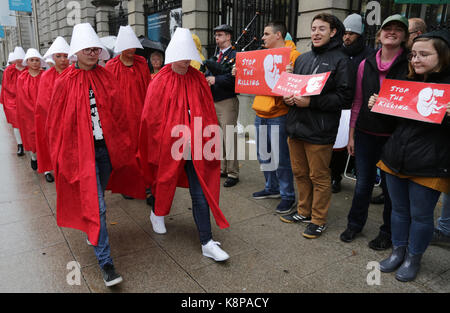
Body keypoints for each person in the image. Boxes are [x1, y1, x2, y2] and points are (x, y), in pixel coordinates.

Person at [46, 23, 147, 287]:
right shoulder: (63, 81)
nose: (92, 52)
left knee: (98, 196)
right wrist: (61, 155)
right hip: (81, 152)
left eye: (95, 49)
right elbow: (56, 123)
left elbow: (118, 112)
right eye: (87, 49)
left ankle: (92, 225)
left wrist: (124, 143)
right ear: (77, 52)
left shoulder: (105, 76)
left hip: (106, 150)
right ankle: (106, 263)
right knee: (98, 205)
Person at [138, 27, 230, 262]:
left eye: (188, 58)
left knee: (200, 193)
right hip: (169, 145)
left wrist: (209, 140)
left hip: (197, 145)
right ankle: (157, 213)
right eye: (180, 57)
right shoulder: (159, 81)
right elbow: (151, 117)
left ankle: (207, 241)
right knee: (164, 180)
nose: (184, 63)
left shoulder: (198, 78)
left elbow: (208, 110)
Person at [376, 29, 450, 282]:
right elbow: (389, 126)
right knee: (398, 210)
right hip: (395, 159)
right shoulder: (404, 81)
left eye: (424, 54)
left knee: (421, 216)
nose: (416, 59)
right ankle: (398, 251)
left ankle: (413, 257)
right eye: (413, 54)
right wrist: (379, 107)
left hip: (430, 164)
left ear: (443, 56)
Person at [280, 13, 354, 238]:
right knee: (300, 173)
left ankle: (318, 219)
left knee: (319, 177)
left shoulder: (341, 60)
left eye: (322, 29)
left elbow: (345, 98)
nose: (316, 33)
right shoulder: (301, 59)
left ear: (333, 32)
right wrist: (287, 97)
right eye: (313, 28)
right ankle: (303, 211)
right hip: (295, 126)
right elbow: (293, 89)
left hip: (320, 129)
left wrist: (311, 102)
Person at [339, 15, 410, 250]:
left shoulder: (410, 64)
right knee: (362, 184)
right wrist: (351, 135)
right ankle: (354, 224)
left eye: (398, 29)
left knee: (390, 190)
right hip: (365, 134)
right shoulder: (365, 63)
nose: (392, 32)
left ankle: (387, 232)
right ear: (379, 34)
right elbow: (358, 101)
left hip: (394, 137)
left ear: (404, 36)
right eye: (387, 28)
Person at [247, 21, 299, 214]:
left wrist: (292, 75)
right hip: (260, 112)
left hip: (279, 114)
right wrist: (239, 73)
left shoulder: (293, 57)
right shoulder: (261, 56)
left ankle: (287, 196)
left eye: (266, 33)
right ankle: (272, 188)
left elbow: (297, 86)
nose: (262, 37)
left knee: (281, 157)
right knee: (264, 155)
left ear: (278, 35)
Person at [330, 13, 375, 193]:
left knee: (352, 145)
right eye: (345, 33)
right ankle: (335, 176)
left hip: (359, 106)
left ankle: (355, 176)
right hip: (339, 103)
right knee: (336, 145)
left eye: (352, 33)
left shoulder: (369, 55)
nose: (347, 37)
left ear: (359, 35)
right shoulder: (338, 52)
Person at [205, 24, 240, 187]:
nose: (216, 38)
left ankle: (233, 173)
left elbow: (235, 80)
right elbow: (209, 73)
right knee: (220, 137)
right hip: (214, 99)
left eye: (219, 35)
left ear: (228, 37)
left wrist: (215, 80)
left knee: (229, 136)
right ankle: (224, 168)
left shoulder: (236, 55)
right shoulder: (216, 55)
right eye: (216, 35)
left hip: (227, 100)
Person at [35, 37, 71, 183]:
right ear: (53, 58)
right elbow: (44, 101)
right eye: (59, 56)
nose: (63, 60)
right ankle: (50, 169)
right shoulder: (46, 76)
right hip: (50, 118)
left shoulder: (74, 73)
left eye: (65, 56)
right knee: (50, 144)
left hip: (71, 118)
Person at [16, 48, 47, 171]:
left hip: (44, 113)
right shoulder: (22, 78)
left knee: (45, 140)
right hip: (28, 115)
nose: (35, 62)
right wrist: (33, 110)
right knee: (33, 139)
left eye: (37, 60)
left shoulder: (45, 76)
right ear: (27, 62)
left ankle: (46, 170)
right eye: (32, 60)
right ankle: (34, 157)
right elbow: (22, 98)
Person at [0, 47, 26, 156]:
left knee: (27, 124)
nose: (19, 60)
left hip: (26, 100)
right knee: (16, 124)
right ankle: (20, 145)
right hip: (13, 100)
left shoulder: (29, 68)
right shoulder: (9, 71)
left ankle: (28, 143)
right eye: (17, 58)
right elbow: (7, 86)